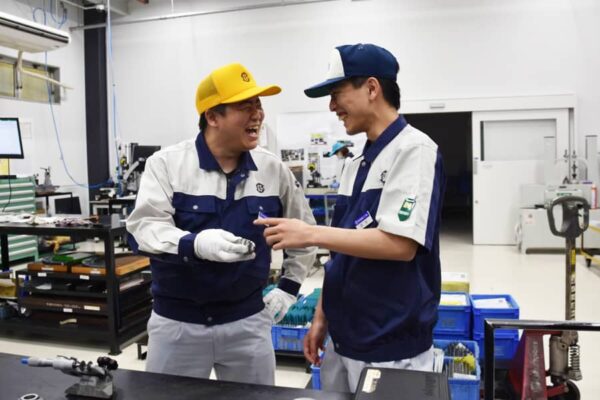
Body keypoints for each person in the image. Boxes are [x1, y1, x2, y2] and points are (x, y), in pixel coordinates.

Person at [254, 43, 445, 393]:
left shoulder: (414, 151)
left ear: (371, 88)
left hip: (390, 347)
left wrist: (311, 234)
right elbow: (342, 254)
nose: (332, 106)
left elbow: (400, 244)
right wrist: (321, 317)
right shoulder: (356, 164)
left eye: (337, 94)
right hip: (343, 340)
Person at [126, 62, 317, 384]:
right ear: (213, 116)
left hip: (248, 323)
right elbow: (143, 229)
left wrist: (288, 288)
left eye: (258, 104)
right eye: (245, 106)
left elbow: (306, 234)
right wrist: (194, 244)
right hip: (177, 325)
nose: (258, 114)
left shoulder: (273, 170)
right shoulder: (168, 165)